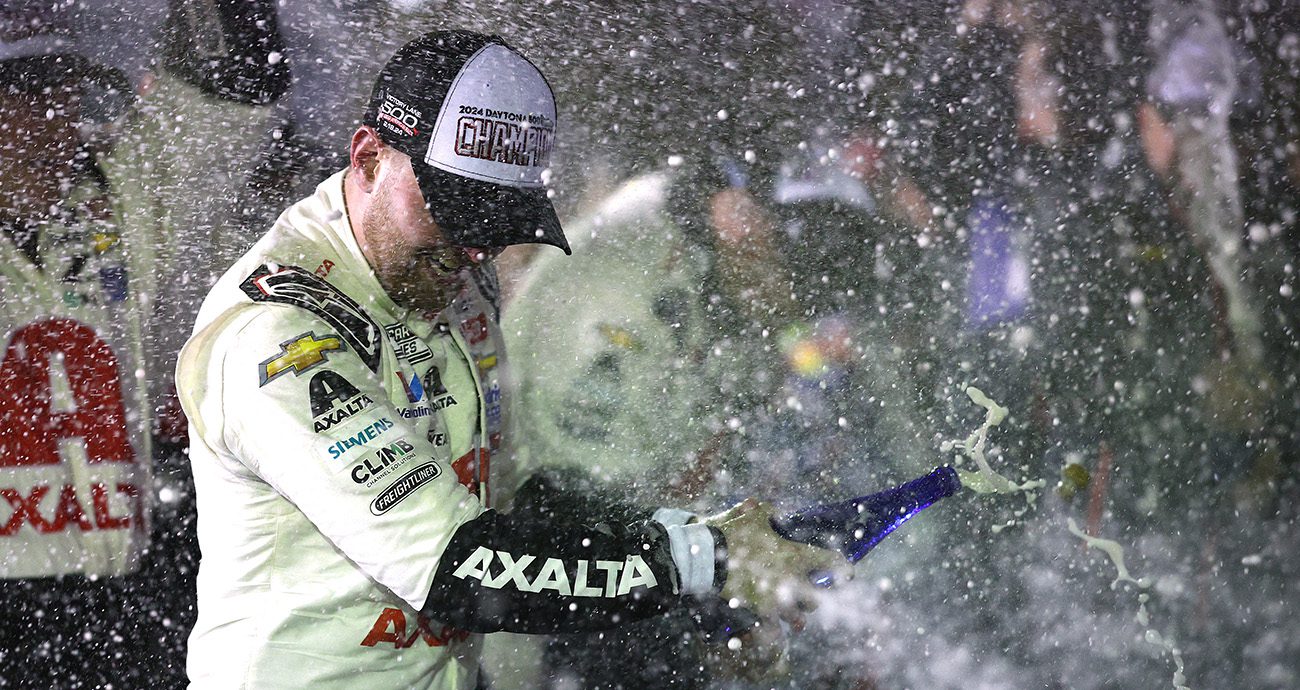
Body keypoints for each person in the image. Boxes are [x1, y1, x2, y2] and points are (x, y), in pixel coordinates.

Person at [176, 29, 839, 689]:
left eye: (496, 218)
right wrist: (701, 561)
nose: (472, 248)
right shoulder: (279, 332)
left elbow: (509, 500)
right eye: (453, 209)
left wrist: (693, 535)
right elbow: (457, 568)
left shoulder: (451, 275)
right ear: (368, 156)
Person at [0, 6, 164, 687]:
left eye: (65, 87)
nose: (55, 116)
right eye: (25, 91)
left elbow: (229, 99)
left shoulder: (116, 201)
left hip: (126, 586)